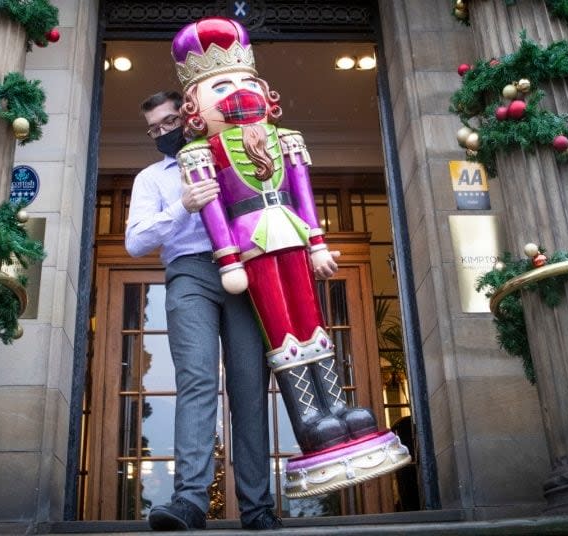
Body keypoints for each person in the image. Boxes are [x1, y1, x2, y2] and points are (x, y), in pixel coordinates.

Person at [171, 17, 411, 498]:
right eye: (222, 85)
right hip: (249, 241)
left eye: (245, 81)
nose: (239, 93)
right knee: (281, 328)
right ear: (196, 104)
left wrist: (318, 243)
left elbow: (303, 194)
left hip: (291, 233)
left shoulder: (288, 139)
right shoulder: (199, 152)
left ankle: (339, 406)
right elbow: (214, 210)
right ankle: (310, 418)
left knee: (312, 320)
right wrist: (228, 259)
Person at [125, 91, 282, 531]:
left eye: (169, 121)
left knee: (250, 387)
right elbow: (135, 242)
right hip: (189, 273)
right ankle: (191, 501)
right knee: (196, 381)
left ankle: (257, 508)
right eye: (154, 128)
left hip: (245, 269)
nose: (162, 132)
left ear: (189, 117)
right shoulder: (151, 179)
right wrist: (183, 205)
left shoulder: (234, 153)